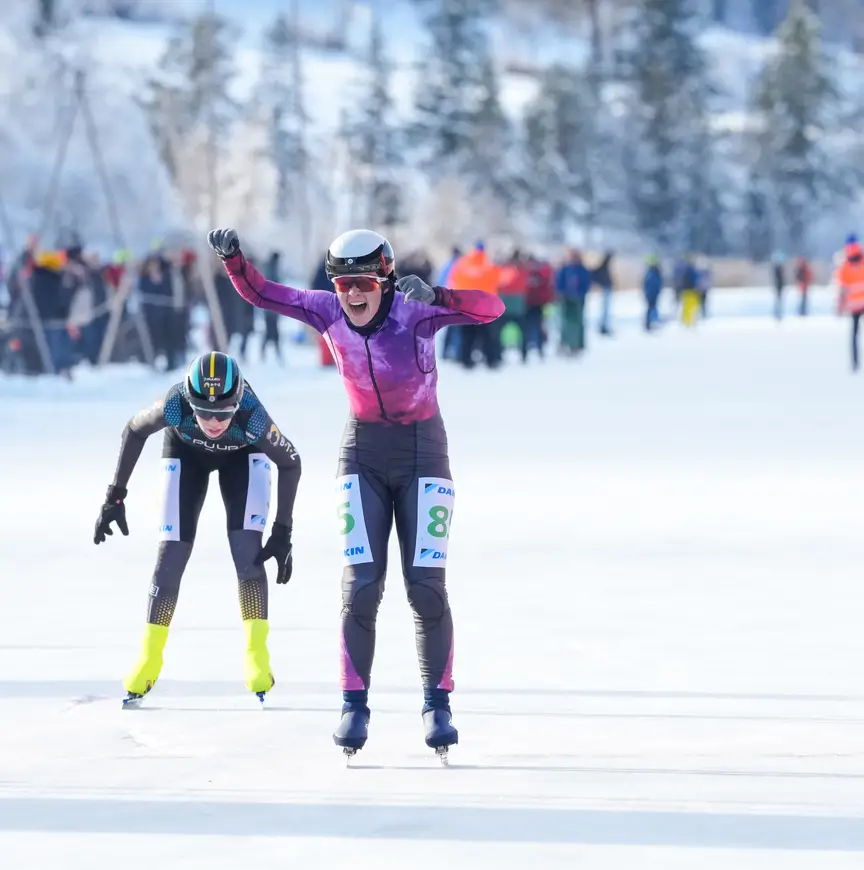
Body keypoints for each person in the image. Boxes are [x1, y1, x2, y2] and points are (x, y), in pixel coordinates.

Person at [207, 226, 504, 760]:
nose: (353, 295)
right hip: (362, 454)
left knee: (425, 588)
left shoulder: (415, 312)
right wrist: (233, 260)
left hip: (423, 455)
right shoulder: (326, 312)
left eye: (364, 283)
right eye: (343, 285)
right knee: (361, 587)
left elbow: (491, 308)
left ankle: (437, 705)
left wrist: (439, 295)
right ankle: (353, 705)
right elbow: (262, 293)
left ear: (385, 280)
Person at [94, 351, 301, 707]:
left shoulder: (251, 416)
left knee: (247, 552)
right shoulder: (175, 405)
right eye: (203, 412)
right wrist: (115, 496)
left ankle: (256, 653)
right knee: (171, 552)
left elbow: (291, 462)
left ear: (238, 402)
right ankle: (150, 657)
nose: (213, 422)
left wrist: (283, 531)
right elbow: (134, 430)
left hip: (243, 456)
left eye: (223, 413)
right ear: (190, 402)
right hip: (185, 453)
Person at [835, 241, 864, 371]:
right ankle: (855, 362)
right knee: (854, 334)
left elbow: (842, 290)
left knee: (854, 334)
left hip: (854, 306)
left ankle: (855, 362)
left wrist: (840, 307)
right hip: (858, 306)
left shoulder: (845, 268)